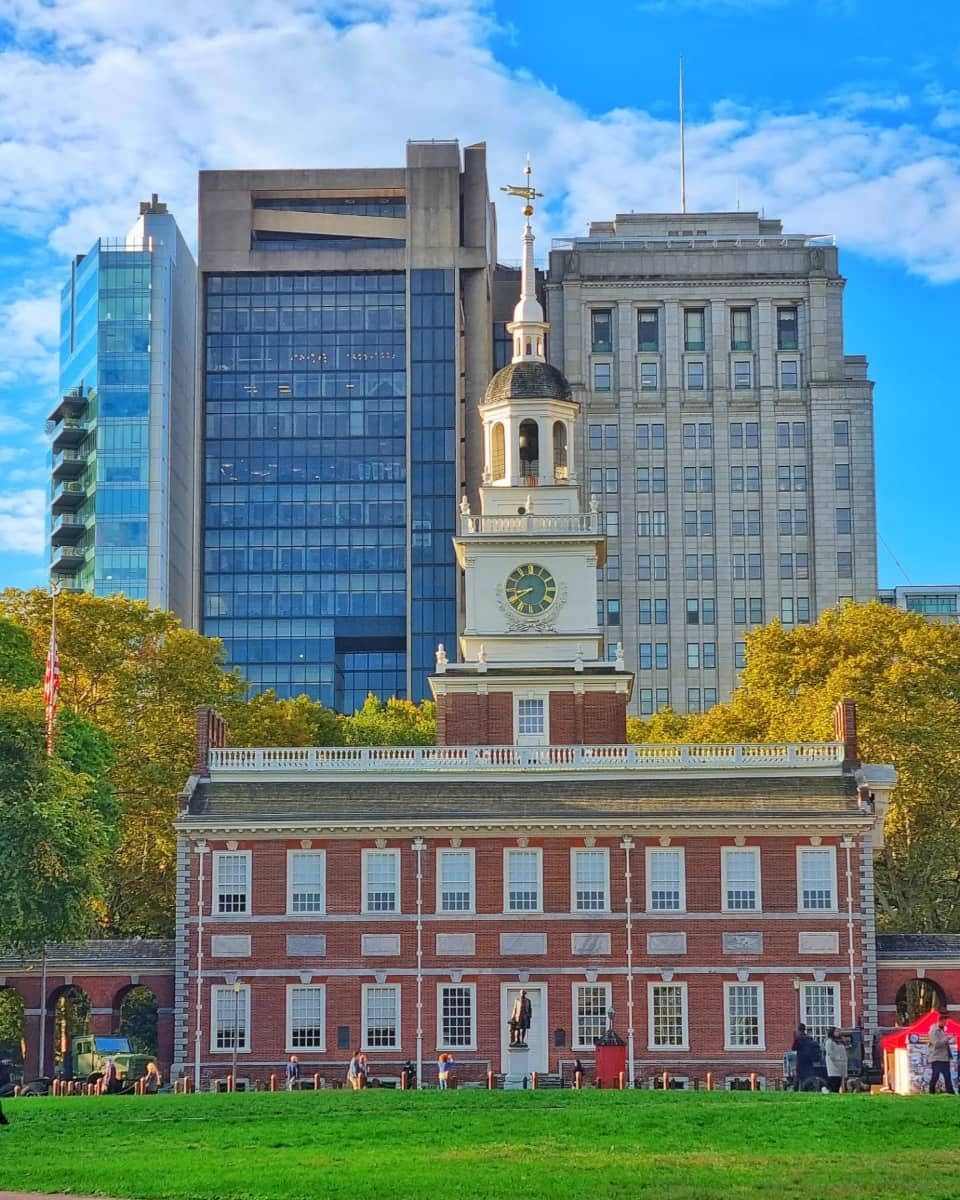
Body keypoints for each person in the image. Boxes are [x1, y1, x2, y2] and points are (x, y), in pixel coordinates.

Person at [928, 1020, 956, 1094]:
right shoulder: (933, 1031)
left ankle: (951, 1092)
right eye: (945, 1023)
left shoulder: (941, 1031)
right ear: (940, 1021)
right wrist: (946, 1039)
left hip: (944, 1058)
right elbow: (936, 1044)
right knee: (935, 1076)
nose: (945, 1024)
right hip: (937, 1058)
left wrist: (948, 1039)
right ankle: (931, 1092)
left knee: (947, 1076)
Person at [791, 1025, 820, 1091]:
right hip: (809, 1061)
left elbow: (793, 1048)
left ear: (798, 1030)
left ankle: (796, 1090)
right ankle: (807, 1089)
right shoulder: (809, 1038)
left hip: (801, 1061)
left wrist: (795, 1038)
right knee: (807, 1077)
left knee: (799, 1078)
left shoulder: (798, 1039)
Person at [824, 1029, 848, 1093]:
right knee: (834, 1080)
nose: (838, 1033)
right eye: (836, 1031)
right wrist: (836, 1058)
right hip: (834, 1064)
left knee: (839, 1081)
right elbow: (829, 1053)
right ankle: (828, 1090)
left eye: (839, 1031)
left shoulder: (840, 1041)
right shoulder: (829, 1041)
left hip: (841, 1064)